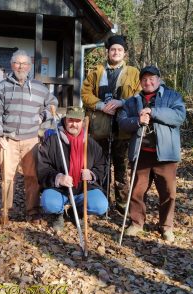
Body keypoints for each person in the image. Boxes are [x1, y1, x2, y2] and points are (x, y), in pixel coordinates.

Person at [117, 65, 186, 242]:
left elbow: (179, 116)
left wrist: (153, 112)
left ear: (159, 79)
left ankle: (166, 227)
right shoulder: (132, 101)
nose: (148, 82)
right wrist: (137, 121)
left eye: (152, 78)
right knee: (137, 191)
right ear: (140, 82)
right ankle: (137, 222)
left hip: (166, 155)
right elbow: (122, 122)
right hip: (141, 154)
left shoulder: (172, 96)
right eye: (145, 79)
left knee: (168, 193)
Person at [0, 49, 58, 224]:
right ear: (12, 65)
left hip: (31, 140)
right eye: (17, 63)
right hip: (8, 139)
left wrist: (43, 116)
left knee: (32, 177)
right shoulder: (2, 86)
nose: (20, 67)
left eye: (24, 63)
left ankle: (32, 211)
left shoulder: (39, 87)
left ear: (29, 66)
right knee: (7, 177)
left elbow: (53, 104)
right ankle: (6, 210)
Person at [81, 35, 141, 215]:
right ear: (108, 51)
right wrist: (101, 106)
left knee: (122, 171)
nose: (116, 52)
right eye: (113, 49)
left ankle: (122, 207)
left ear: (125, 53)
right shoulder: (96, 71)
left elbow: (139, 94)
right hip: (100, 130)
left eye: (120, 50)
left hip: (123, 131)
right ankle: (102, 204)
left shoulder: (134, 73)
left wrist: (122, 103)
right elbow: (85, 94)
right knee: (101, 168)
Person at [37, 106, 108, 231]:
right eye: (70, 120)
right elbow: (42, 167)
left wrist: (92, 174)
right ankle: (58, 213)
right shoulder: (53, 141)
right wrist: (58, 178)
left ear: (83, 123)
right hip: (59, 190)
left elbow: (102, 166)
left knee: (101, 205)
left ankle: (78, 211)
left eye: (77, 121)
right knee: (48, 202)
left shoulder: (91, 144)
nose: (74, 124)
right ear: (65, 120)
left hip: (83, 188)